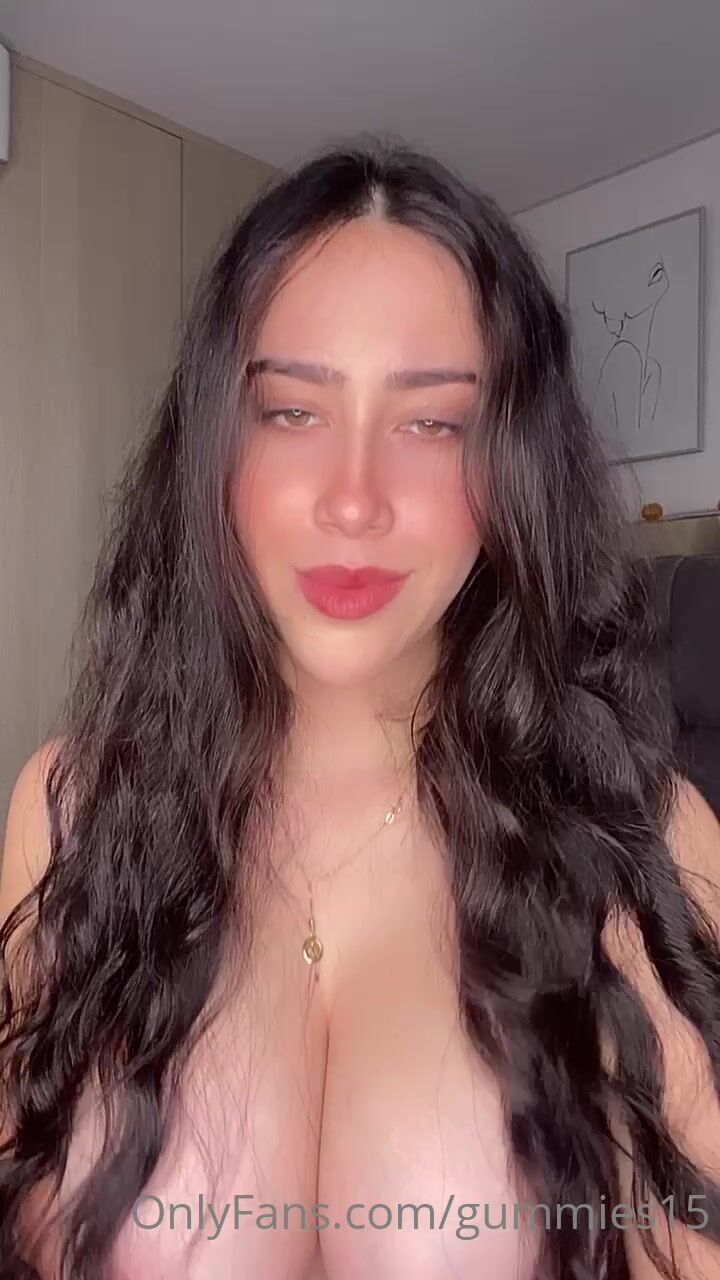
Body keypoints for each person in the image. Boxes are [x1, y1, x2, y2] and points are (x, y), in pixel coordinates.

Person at [1, 138, 719, 1280]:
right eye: (292, 411)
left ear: (515, 470)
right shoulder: (76, 805)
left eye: (433, 424)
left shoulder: (643, 839)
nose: (354, 499)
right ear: (213, 447)